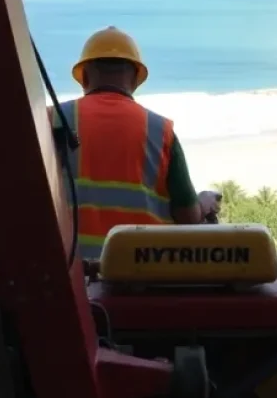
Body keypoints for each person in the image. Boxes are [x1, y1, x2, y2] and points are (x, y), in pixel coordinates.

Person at [51, 26, 220, 259]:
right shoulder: (160, 130)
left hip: (70, 269)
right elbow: (188, 217)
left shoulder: (52, 119)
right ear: (135, 79)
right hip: (141, 271)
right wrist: (203, 202)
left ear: (85, 77)